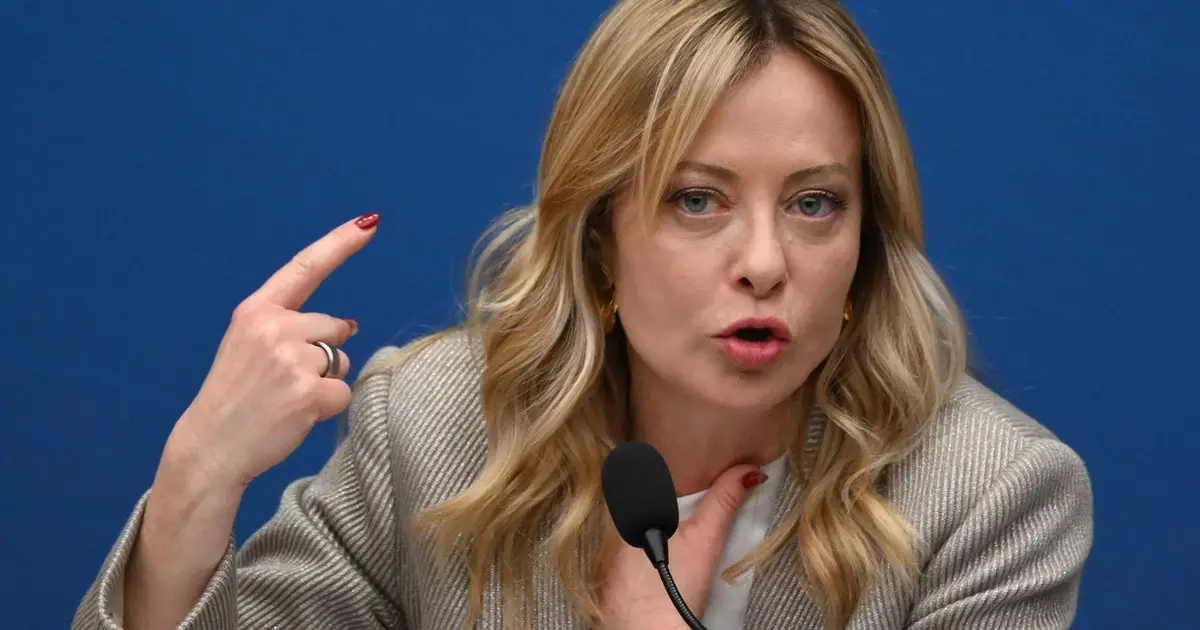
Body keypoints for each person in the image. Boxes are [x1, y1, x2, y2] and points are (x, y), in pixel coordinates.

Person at [72, 0, 1094, 628]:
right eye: (697, 199)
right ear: (599, 238)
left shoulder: (990, 496)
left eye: (814, 204)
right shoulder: (431, 426)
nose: (764, 263)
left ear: (867, 240)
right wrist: (196, 479)